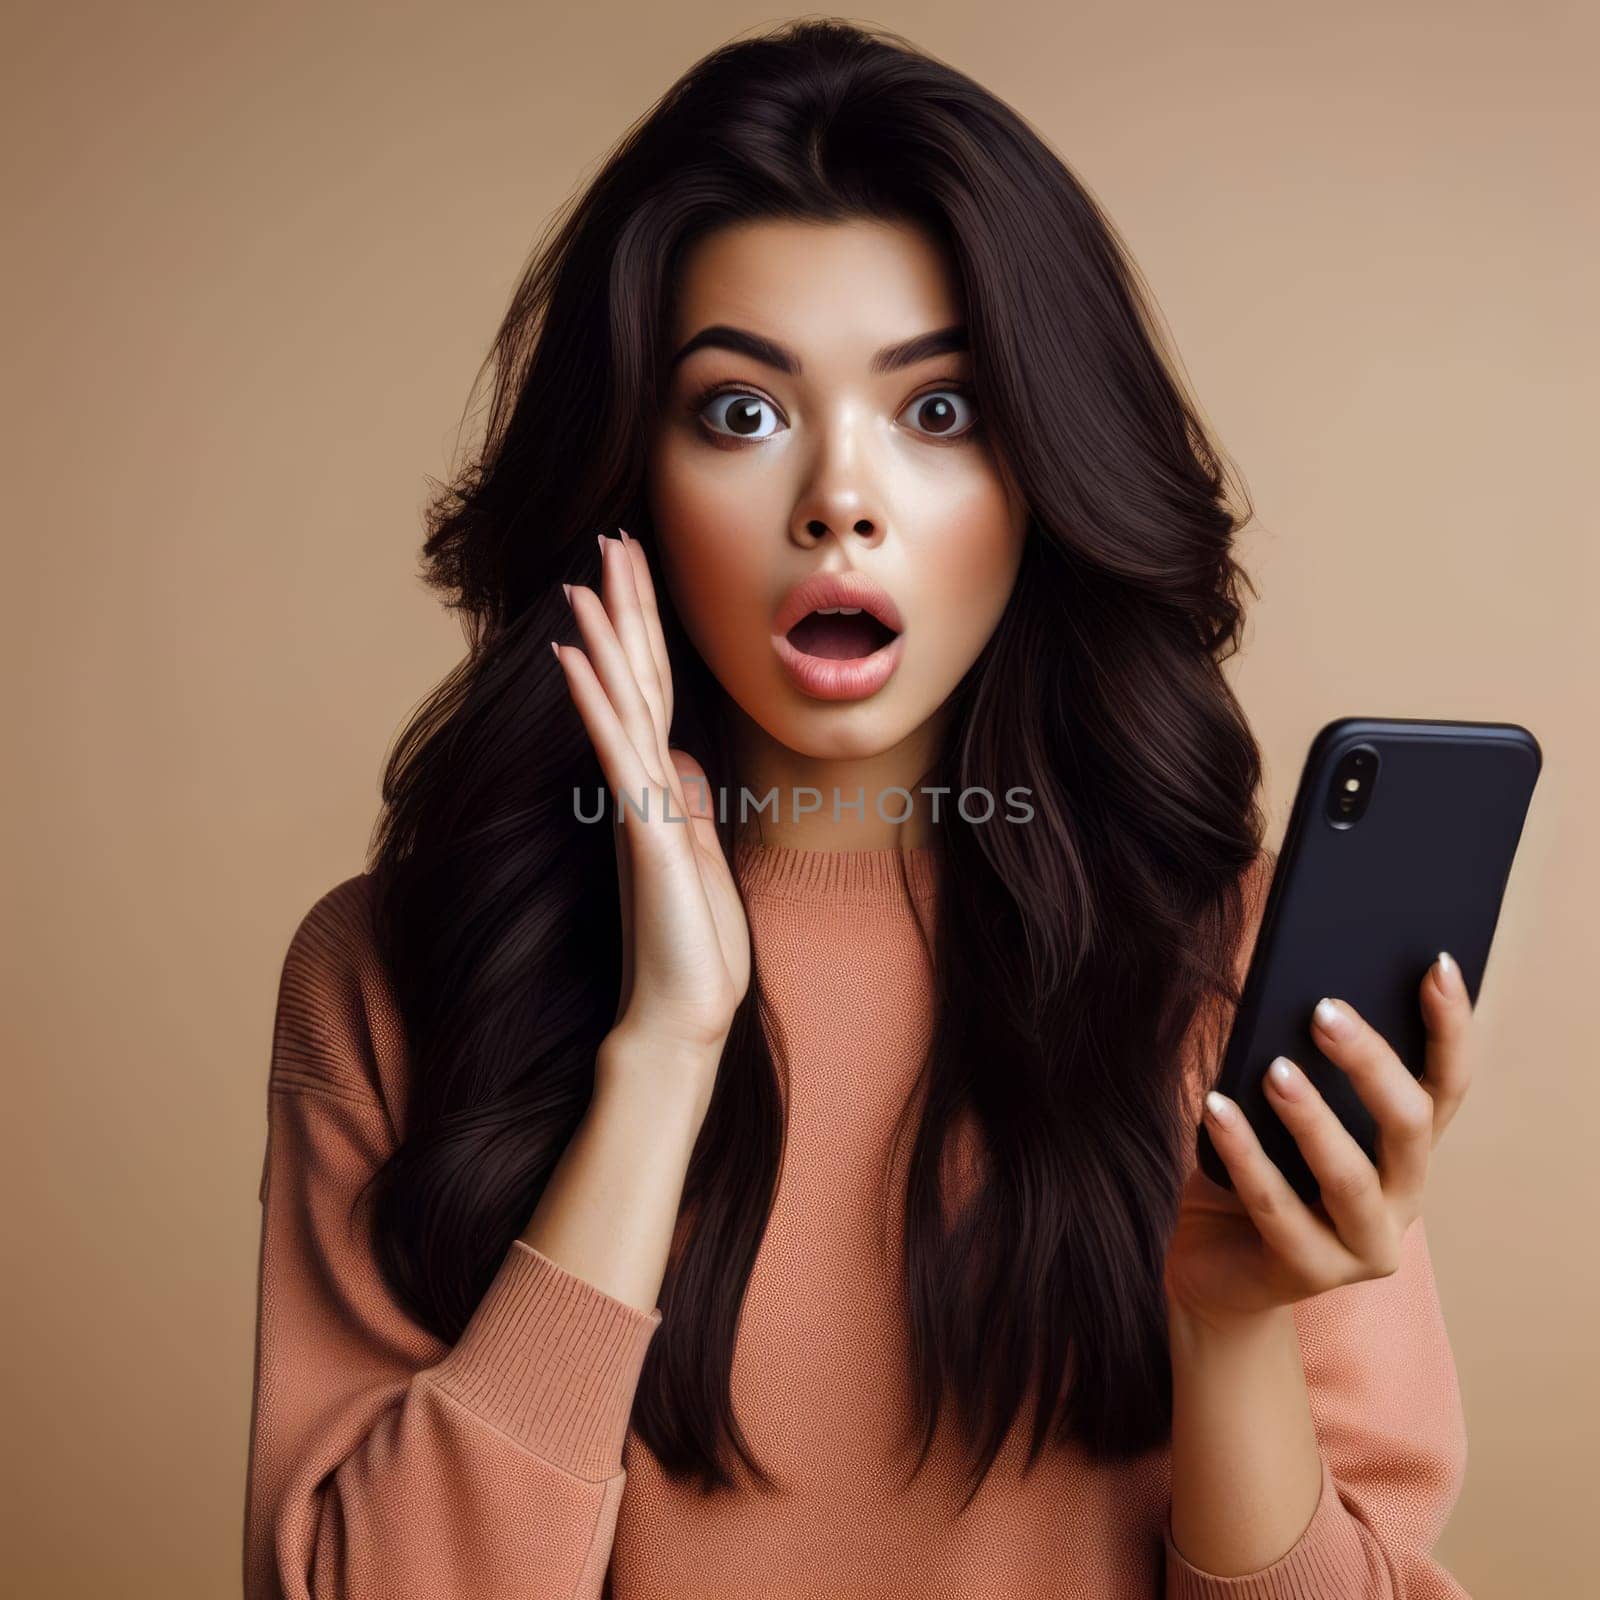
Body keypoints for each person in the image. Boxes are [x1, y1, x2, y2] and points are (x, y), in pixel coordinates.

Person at [243, 19, 1472, 1598]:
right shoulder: (393, 978)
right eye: (741, 413)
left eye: (939, 411)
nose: (839, 494)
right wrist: (663, 1050)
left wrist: (1230, 1328)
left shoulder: (1232, 967)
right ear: (630, 479)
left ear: (1045, 473)